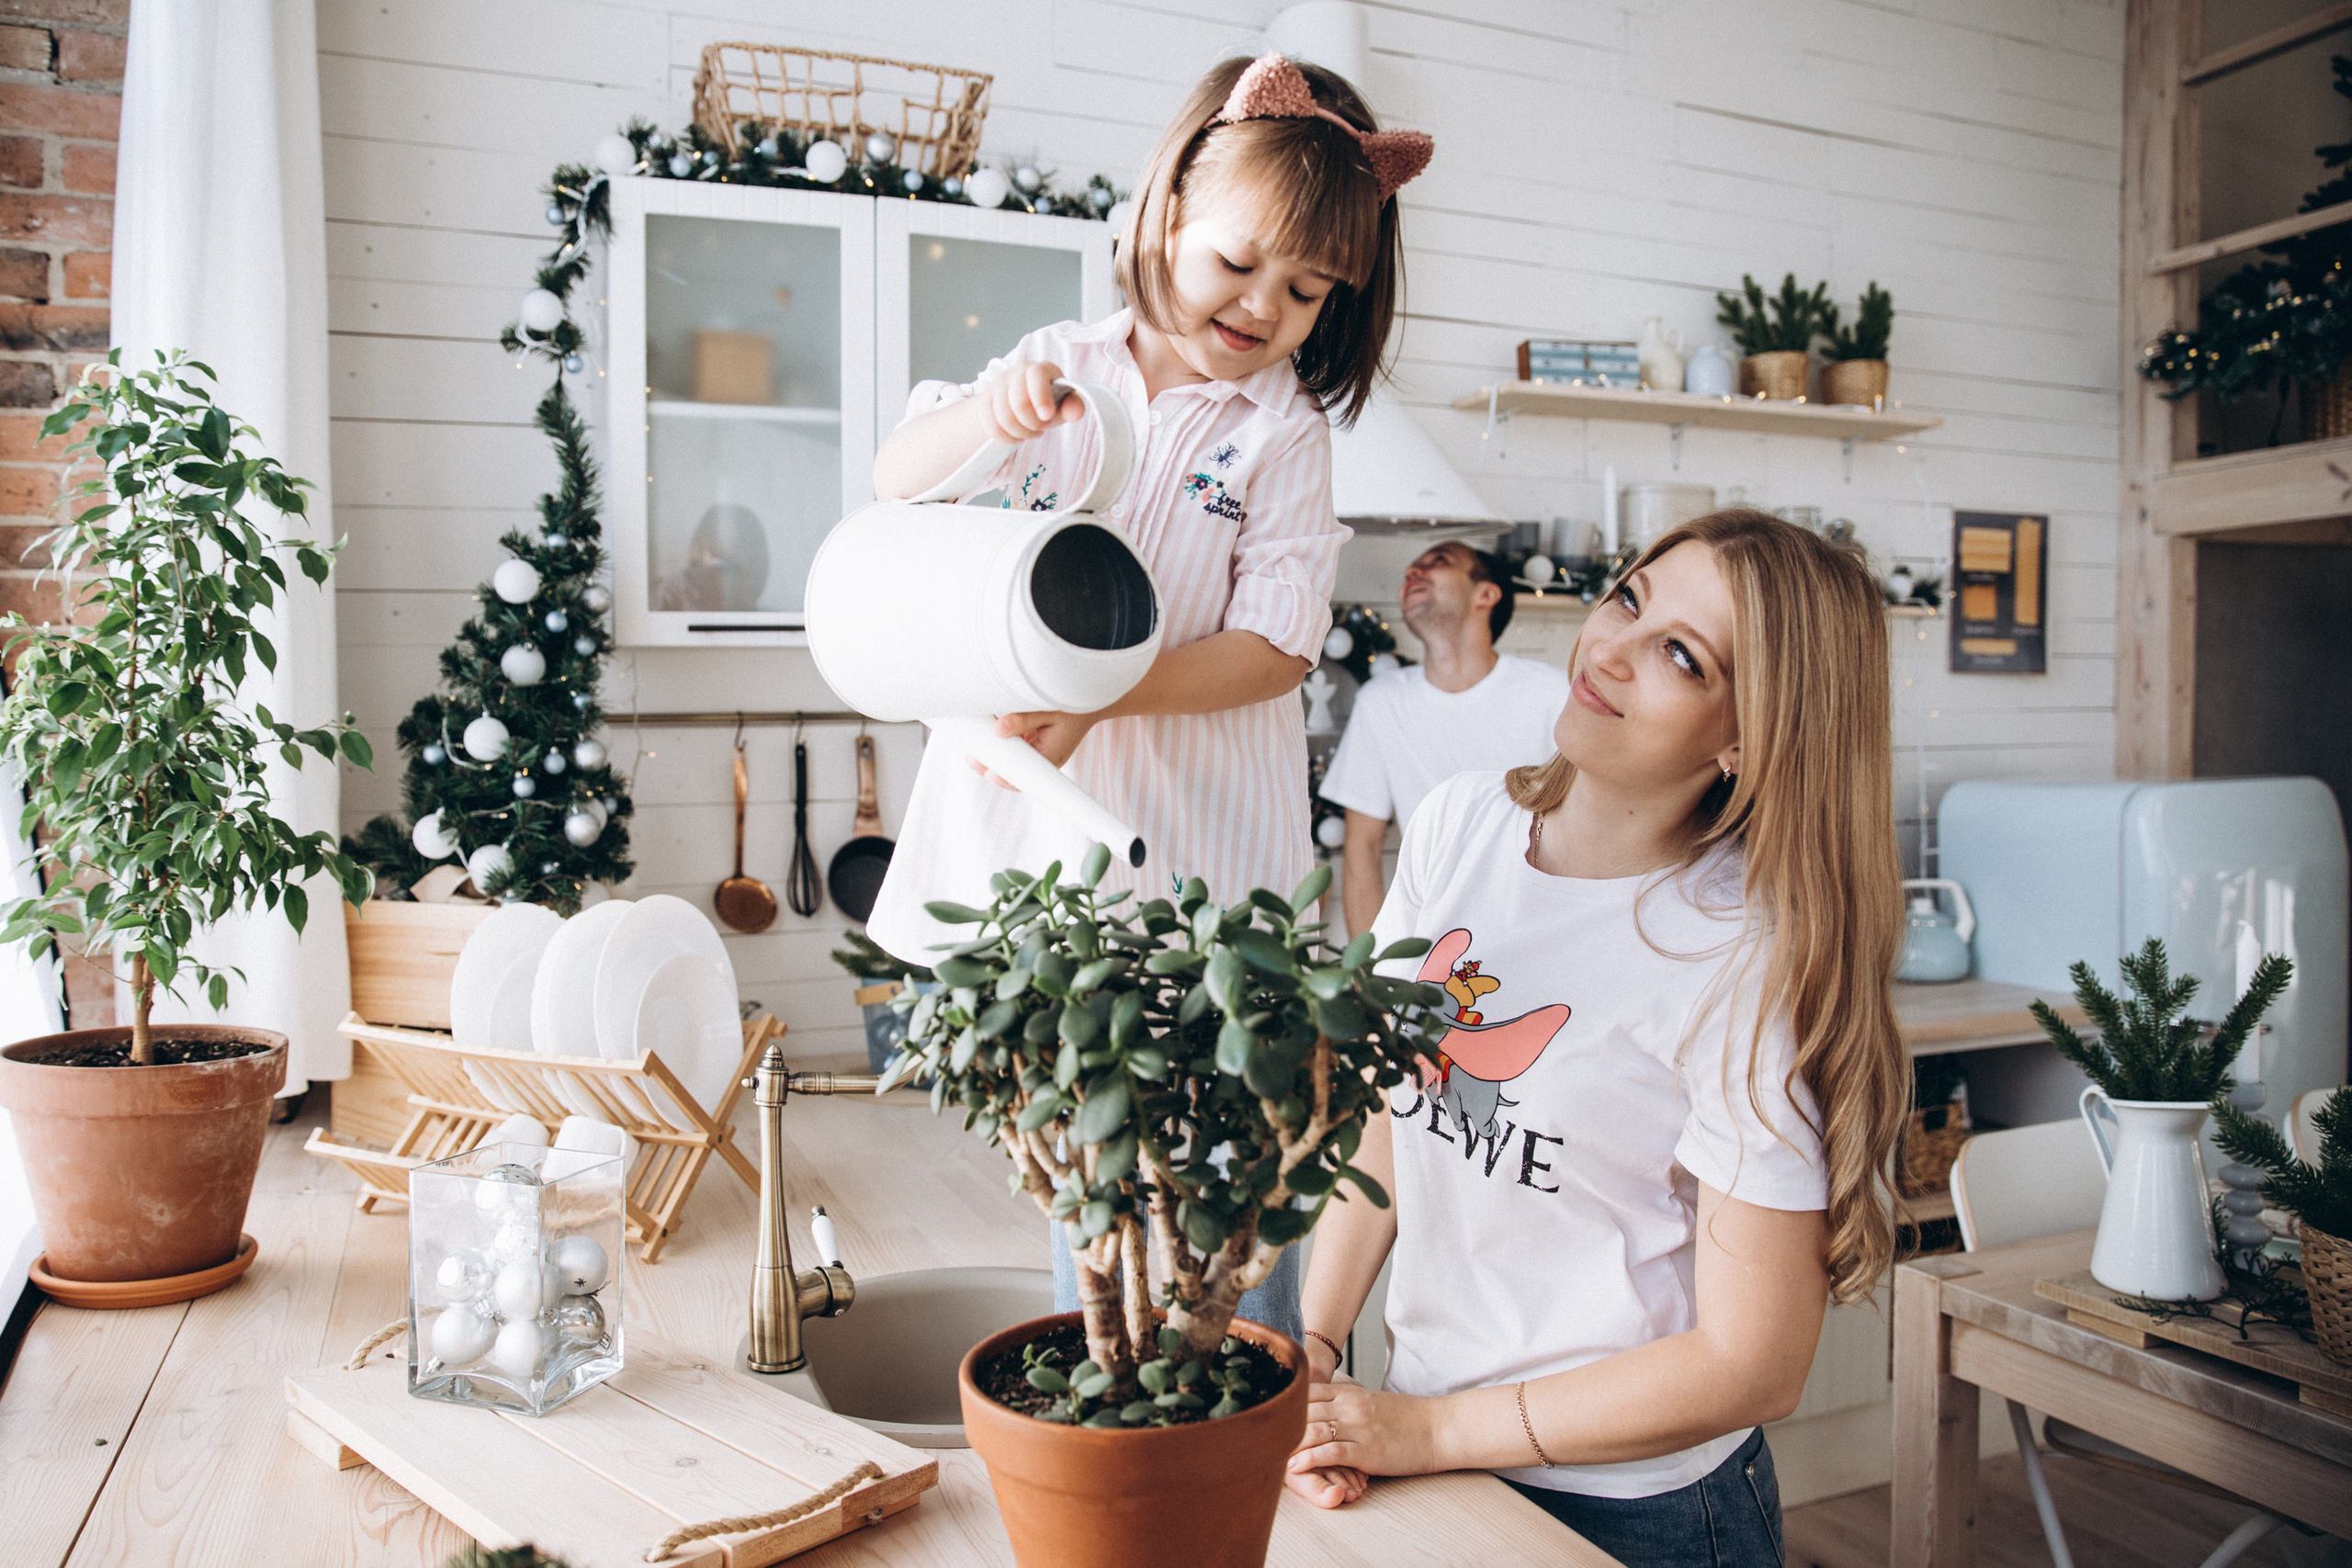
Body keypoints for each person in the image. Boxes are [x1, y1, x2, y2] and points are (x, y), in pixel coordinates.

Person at [862, 53, 1432, 1344]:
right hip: (1041, 843)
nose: (1263, 305)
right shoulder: (1057, 363)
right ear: (1168, 209)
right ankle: (1114, 1397)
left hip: (1193, 854)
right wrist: (989, 418)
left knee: (1226, 1156)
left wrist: (1103, 690)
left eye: (1306, 290)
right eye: (1239, 261)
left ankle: (1262, 1394)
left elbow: (1274, 647)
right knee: (1085, 1160)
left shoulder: (1281, 434)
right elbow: (900, 477)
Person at [1283, 510, 1906, 1568]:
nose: (1609, 650)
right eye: (1628, 599)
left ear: (1748, 737)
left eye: (1680, 656)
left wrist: (1431, 1432)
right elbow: (1393, 1108)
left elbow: (1754, 1363)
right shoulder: (1458, 826)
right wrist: (1316, 1341)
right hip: (1422, 1446)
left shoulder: (1743, 954)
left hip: (1634, 1509)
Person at [1318, 540, 1566, 938]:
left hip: (1540, 929)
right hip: (1429, 941)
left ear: (1485, 594)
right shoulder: (1382, 702)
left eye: (1438, 561)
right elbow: (1362, 849)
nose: (1412, 573)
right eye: (1410, 570)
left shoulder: (1552, 694)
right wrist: (1370, 971)